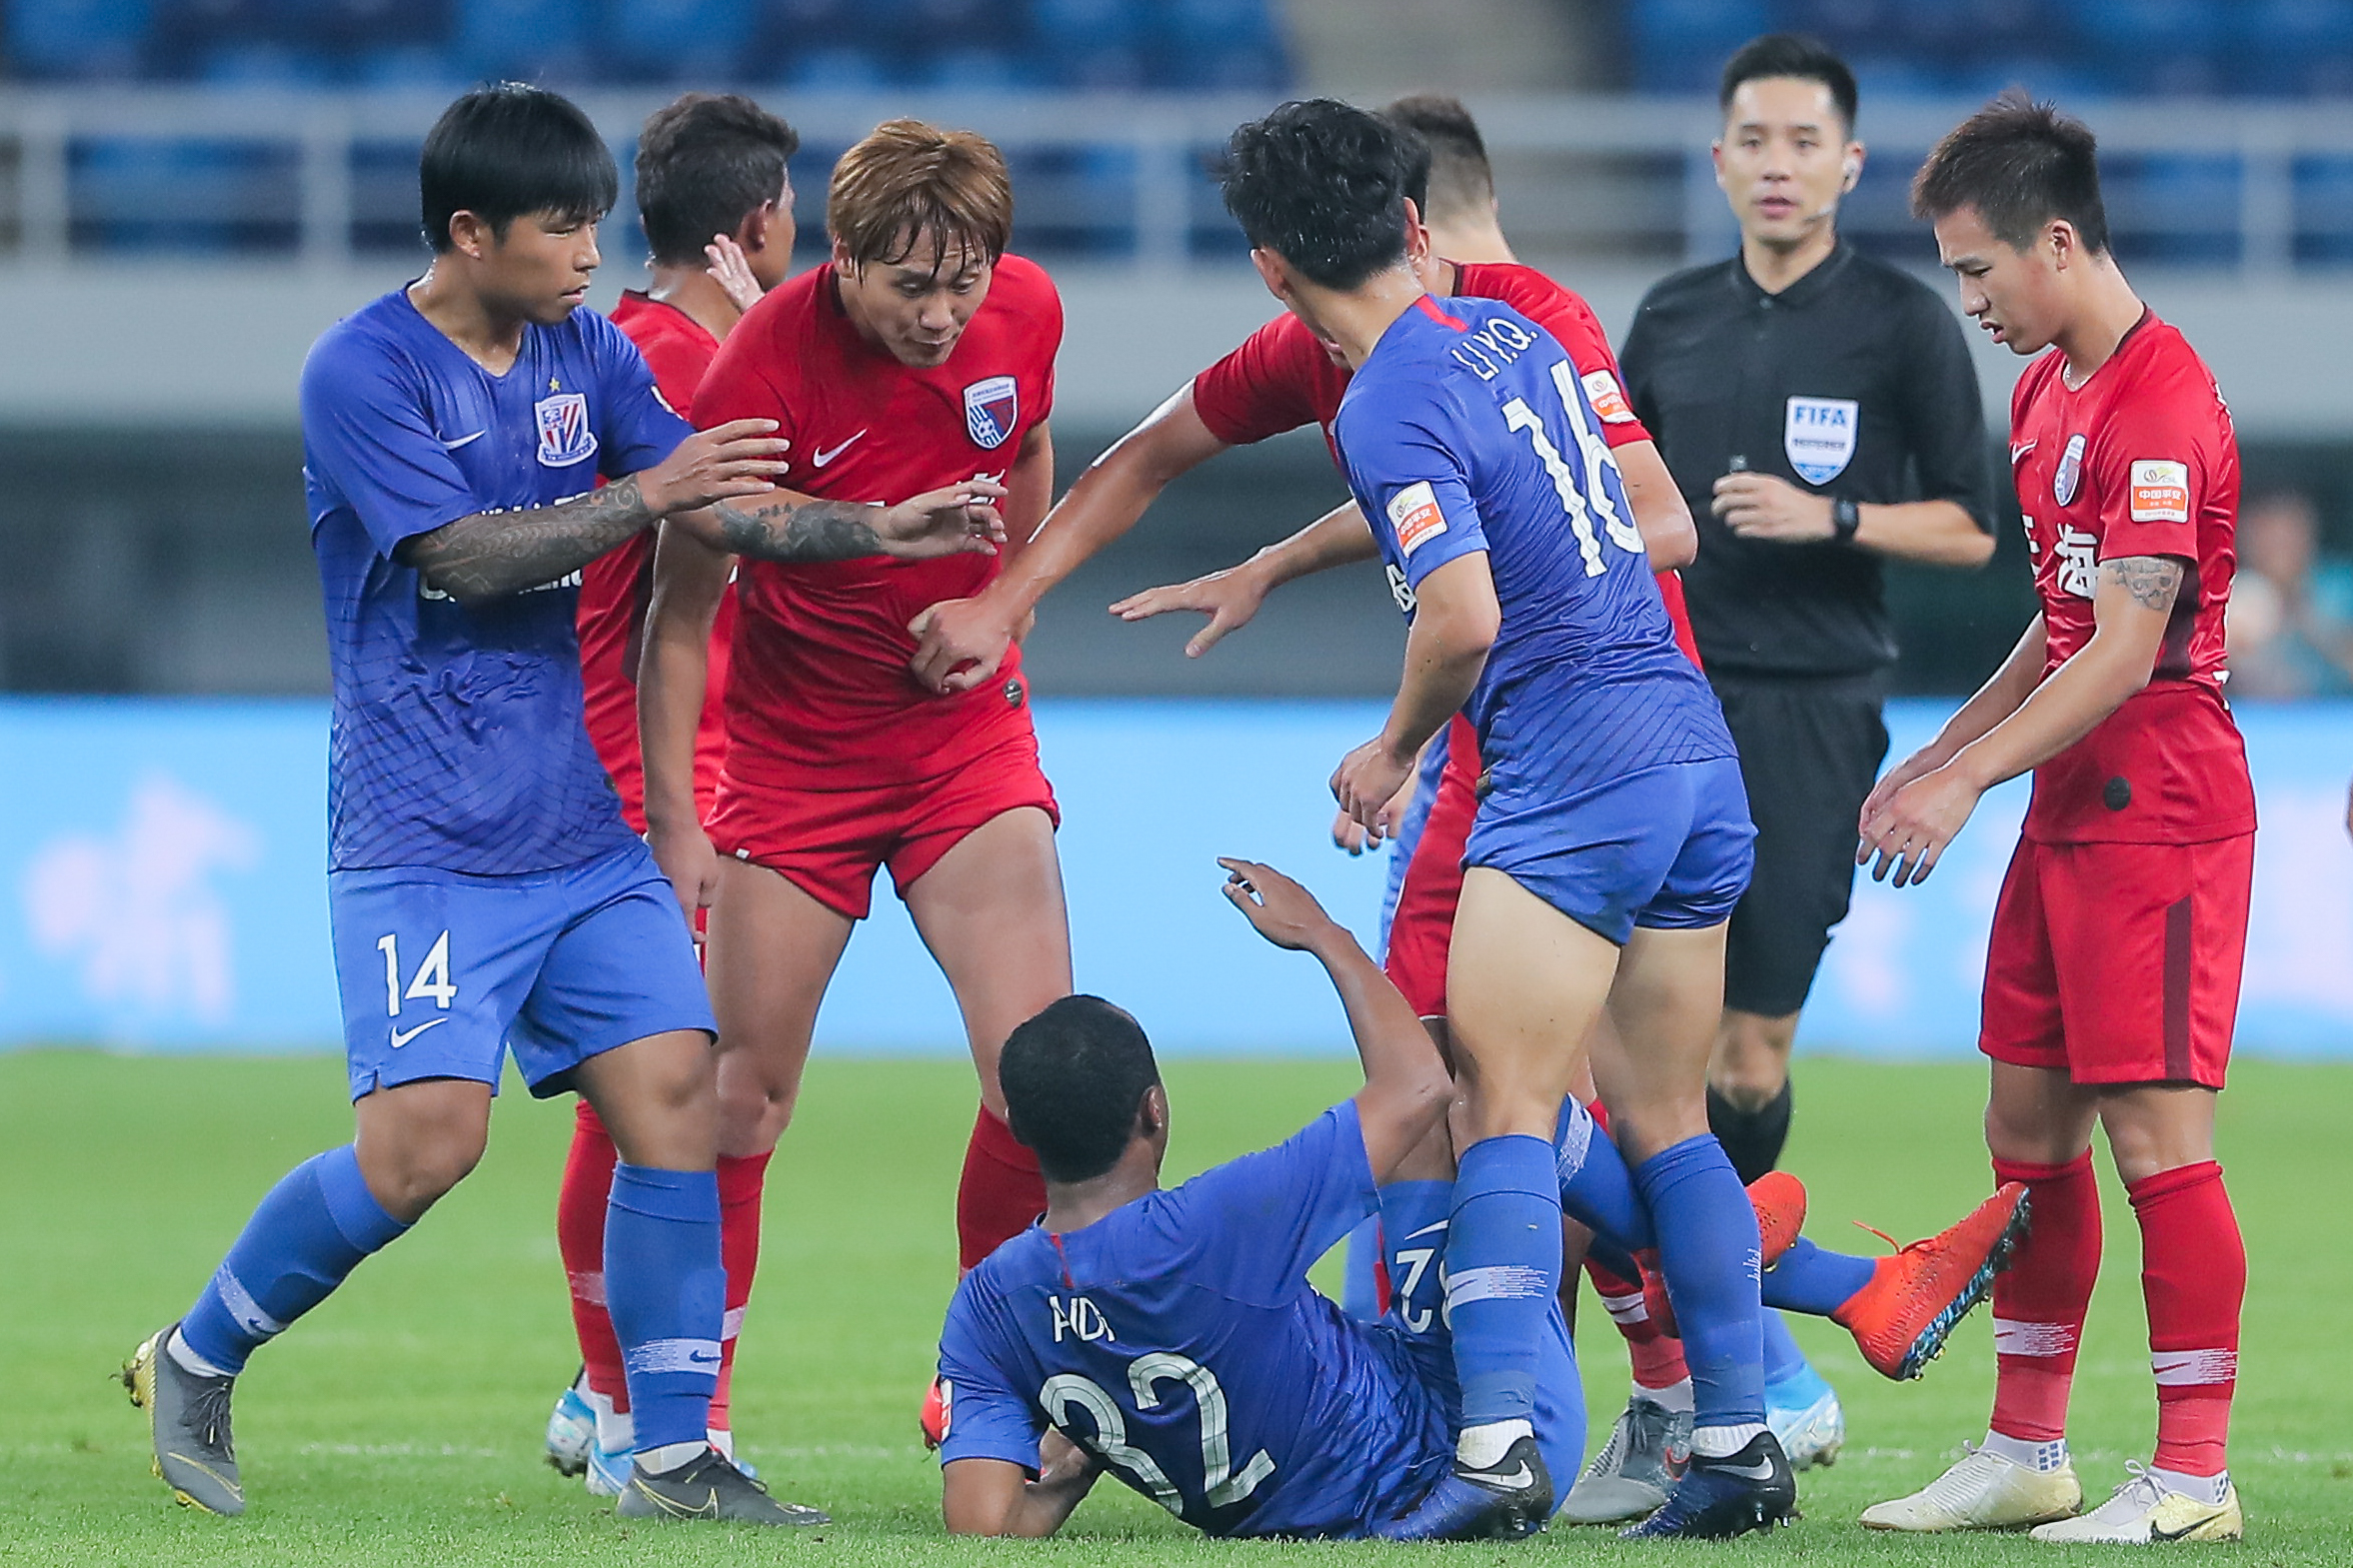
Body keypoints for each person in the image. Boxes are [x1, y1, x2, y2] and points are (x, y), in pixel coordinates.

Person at [117, 83, 998, 1526]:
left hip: (573, 831)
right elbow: (464, 559)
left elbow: (711, 501)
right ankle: (201, 1352)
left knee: (679, 1103)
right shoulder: (362, 372)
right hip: (423, 836)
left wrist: (866, 529)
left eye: (594, 222)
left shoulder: (585, 347)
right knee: (426, 1150)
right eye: (560, 227)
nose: (591, 253)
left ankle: (667, 1453)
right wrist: (649, 497)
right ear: (470, 233)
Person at [1208, 98, 1783, 1542]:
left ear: (1272, 273)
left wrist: (1392, 745)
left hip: (1573, 760)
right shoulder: (1518, 337)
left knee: (1501, 1107)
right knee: (1666, 1119)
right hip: (1689, 753)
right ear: (1412, 226)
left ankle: (1495, 1447)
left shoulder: (1382, 398)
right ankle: (1737, 1443)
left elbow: (1458, 617)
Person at [935, 861, 2027, 1541]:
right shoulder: (1210, 1224)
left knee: (1478, 1061)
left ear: (1021, 1138)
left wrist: (1088, 1447)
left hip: (1334, 1457)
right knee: (1498, 1092)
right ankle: (1773, 1265)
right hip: (1466, 1435)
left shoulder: (990, 1306)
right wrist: (1323, 936)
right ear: (1154, 1113)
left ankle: (1804, 1278)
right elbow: (1407, 1088)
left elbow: (985, 1521)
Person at [1861, 93, 2253, 1545]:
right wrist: (1944, 749)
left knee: (2159, 1144)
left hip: (2157, 808)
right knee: (2022, 1129)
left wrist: (1966, 780)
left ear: (2058, 241)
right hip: (2060, 805)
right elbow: (2058, 615)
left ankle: (2194, 1475)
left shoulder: (2155, 402)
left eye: (1975, 270)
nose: (1965, 300)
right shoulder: (2046, 393)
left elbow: (2125, 650)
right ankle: (2026, 1448)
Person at [635, 119, 1072, 1423]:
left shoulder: (1028, 312)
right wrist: (674, 818)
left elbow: (1032, 448)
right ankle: (690, 1419)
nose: (944, 315)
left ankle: (981, 1374)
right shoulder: (765, 358)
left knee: (1041, 1080)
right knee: (736, 1101)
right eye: (910, 287)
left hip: (962, 745)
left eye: (965, 281)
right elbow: (680, 593)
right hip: (794, 760)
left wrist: (1008, 604)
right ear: (840, 259)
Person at [1615, 31, 1999, 1476]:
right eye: (1751, 140)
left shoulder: (1899, 323)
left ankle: (1745, 1335)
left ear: (1848, 166)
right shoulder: (1665, 320)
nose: (1775, 165)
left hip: (1812, 710)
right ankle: (1748, 1350)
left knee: (1745, 1042)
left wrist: (1827, 518)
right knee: (1624, 1045)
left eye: (1802, 142)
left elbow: (1973, 526)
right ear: (1717, 161)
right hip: (1658, 702)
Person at [547, 90, 803, 1494]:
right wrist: (680, 816)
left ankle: (604, 1397)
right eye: (789, 216)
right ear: (746, 229)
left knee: (640, 1101)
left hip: (611, 764)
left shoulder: (618, 349)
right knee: (707, 1104)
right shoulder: (691, 379)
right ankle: (656, 1420)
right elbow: (692, 606)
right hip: (671, 777)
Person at [2222, 488, 2353, 699]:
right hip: (2252, 719)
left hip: (2336, 719)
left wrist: (2304, 614)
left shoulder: (2339, 585)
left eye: (2289, 532)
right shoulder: (2225, 593)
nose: (2280, 543)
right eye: (2269, 534)